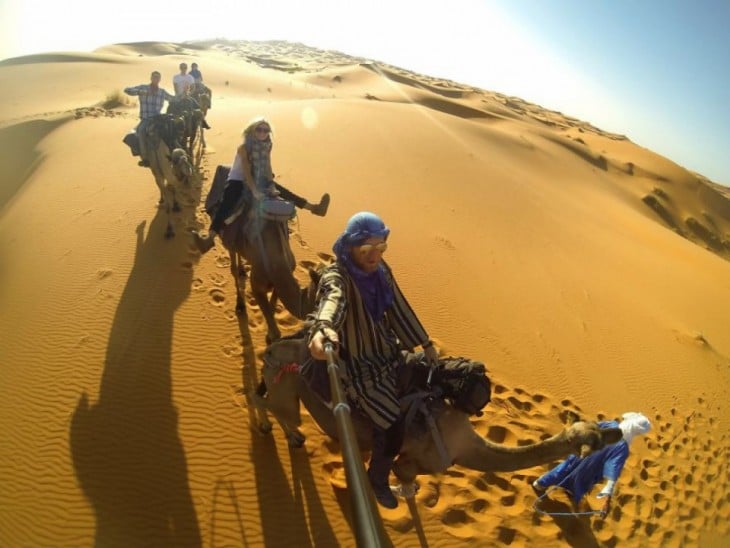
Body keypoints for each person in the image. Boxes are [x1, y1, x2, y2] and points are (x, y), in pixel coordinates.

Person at [307, 212, 440, 509]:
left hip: (387, 351)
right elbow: (332, 301)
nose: (375, 255)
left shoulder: (381, 270)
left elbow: (399, 306)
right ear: (351, 247)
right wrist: (324, 328)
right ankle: (377, 478)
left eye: (382, 247)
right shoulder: (338, 276)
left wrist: (425, 342)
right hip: (360, 367)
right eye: (367, 249)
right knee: (391, 424)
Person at [193, 117, 330, 254]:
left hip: (259, 177)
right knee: (226, 204)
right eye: (259, 129)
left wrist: (271, 184)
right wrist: (254, 191)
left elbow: (268, 165)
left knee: (284, 192)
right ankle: (209, 239)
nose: (262, 133)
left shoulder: (267, 145)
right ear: (252, 130)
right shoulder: (243, 148)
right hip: (238, 179)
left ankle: (314, 208)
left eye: (266, 130)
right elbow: (246, 171)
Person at [532, 411, 652, 518]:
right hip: (591, 468)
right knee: (580, 481)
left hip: (581, 454)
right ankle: (568, 492)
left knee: (564, 468)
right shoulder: (622, 449)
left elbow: (591, 428)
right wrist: (607, 501)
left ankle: (540, 483)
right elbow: (612, 473)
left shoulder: (611, 425)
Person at [124, 70, 177, 167]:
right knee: (140, 132)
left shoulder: (162, 92)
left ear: (159, 79)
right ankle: (145, 158)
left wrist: (184, 94)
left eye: (157, 77)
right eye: (154, 77)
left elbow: (173, 99)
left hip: (158, 118)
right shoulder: (143, 88)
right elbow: (126, 90)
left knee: (172, 128)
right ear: (151, 78)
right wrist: (140, 92)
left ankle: (175, 152)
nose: (156, 79)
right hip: (146, 119)